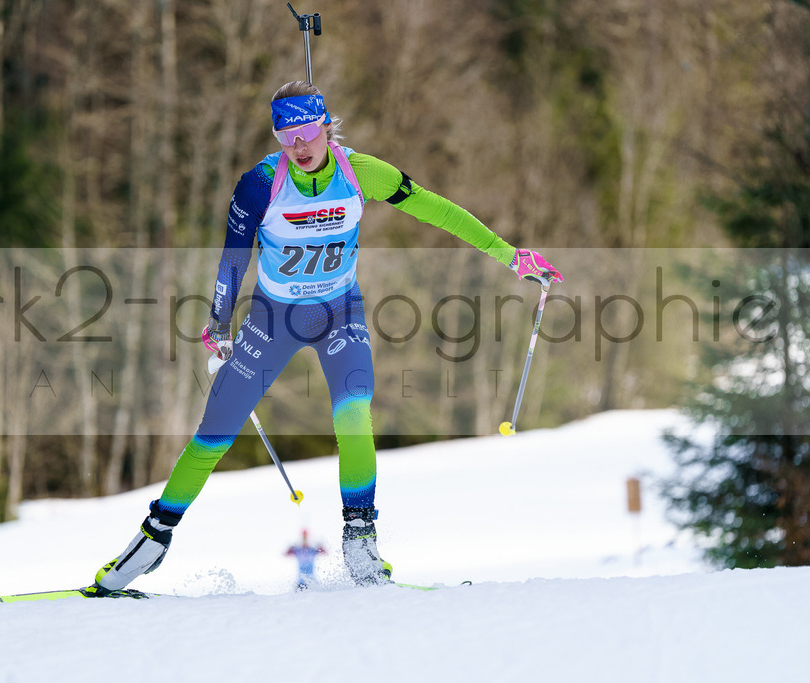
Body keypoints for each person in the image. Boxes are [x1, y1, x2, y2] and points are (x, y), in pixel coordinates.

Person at [88, 81, 563, 596]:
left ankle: (360, 537)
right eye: (285, 134)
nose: (298, 145)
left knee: (354, 411)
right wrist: (219, 322)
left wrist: (511, 255)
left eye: (308, 131)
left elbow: (436, 208)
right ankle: (153, 540)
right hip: (273, 319)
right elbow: (233, 256)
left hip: (340, 313)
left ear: (327, 126)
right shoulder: (260, 185)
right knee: (214, 433)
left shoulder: (362, 173)